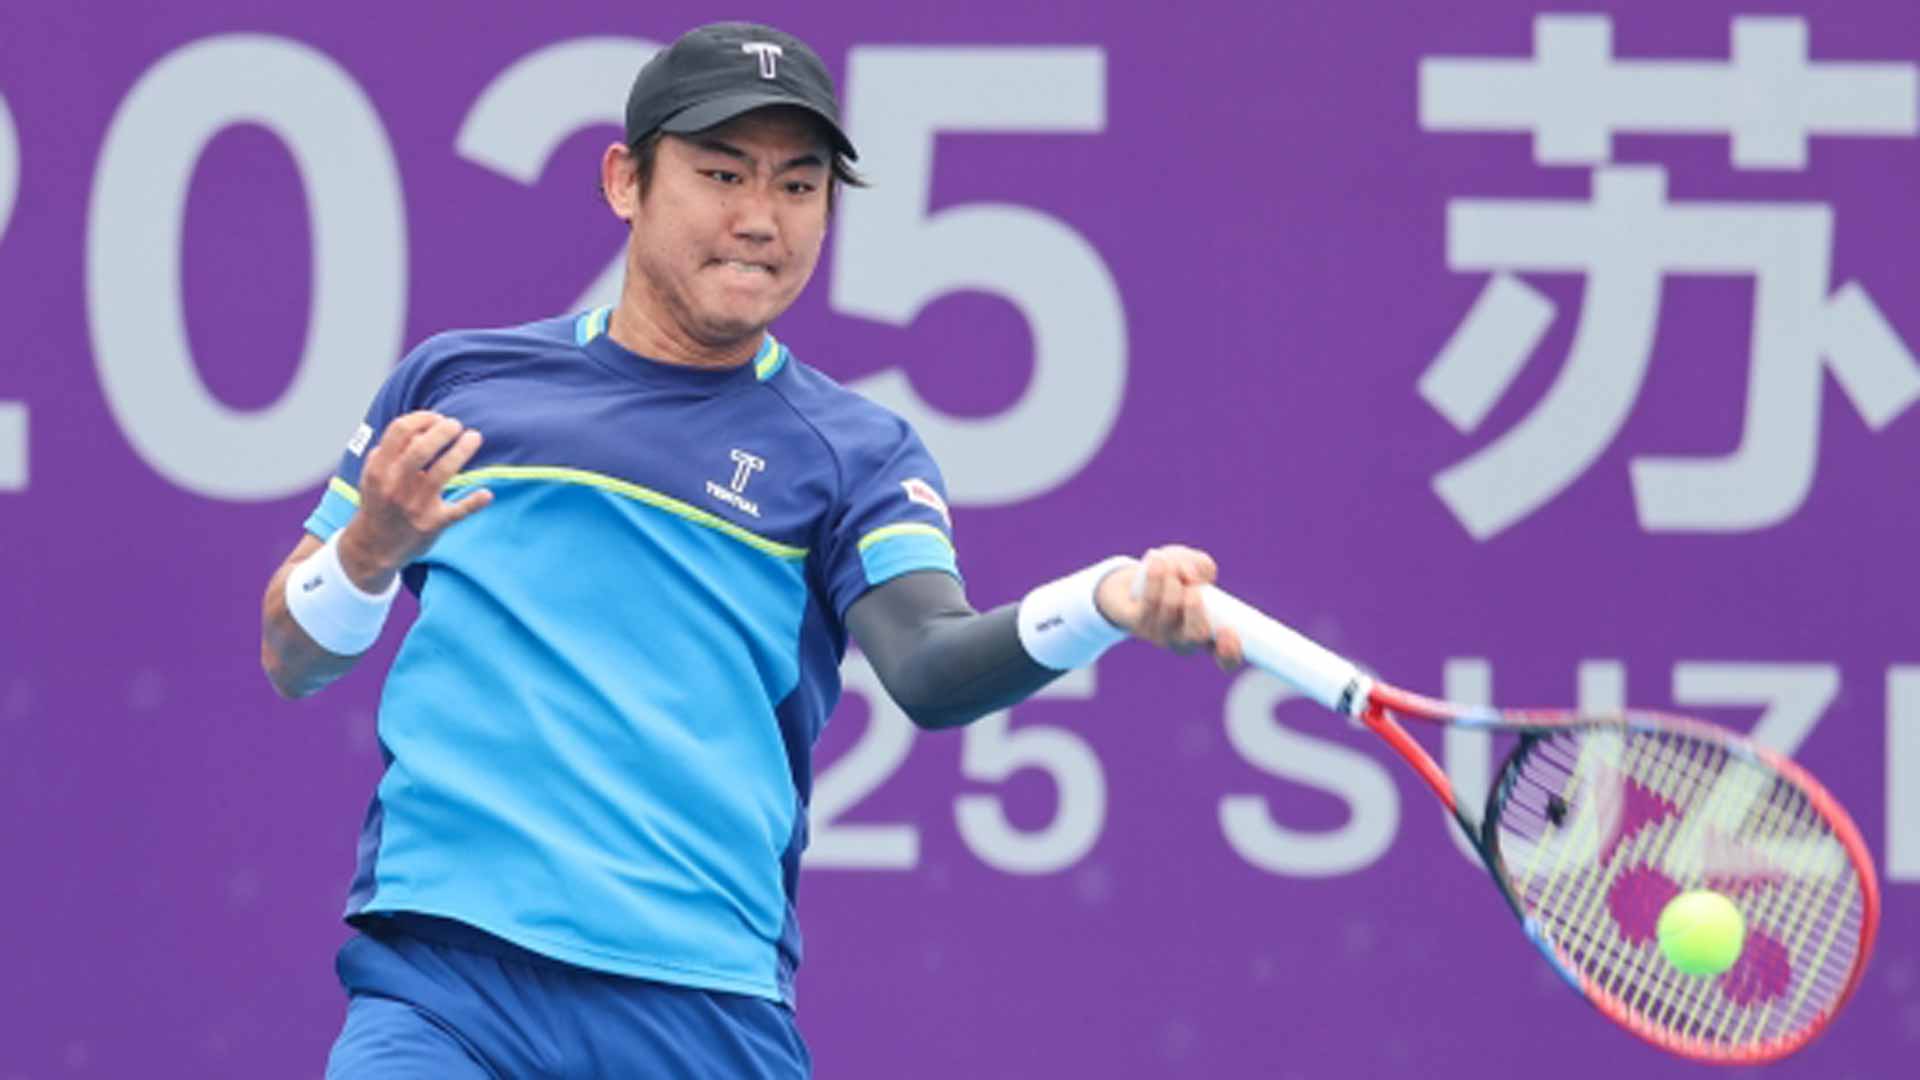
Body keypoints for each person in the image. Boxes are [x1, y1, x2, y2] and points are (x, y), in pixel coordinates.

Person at [260, 21, 1241, 1079]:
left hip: (702, 1007)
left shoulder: (854, 453)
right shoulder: (458, 386)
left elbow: (932, 668)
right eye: (722, 173)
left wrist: (1103, 601)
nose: (760, 220)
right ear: (625, 181)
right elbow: (291, 654)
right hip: (444, 990)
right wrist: (365, 553)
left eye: (798, 186)